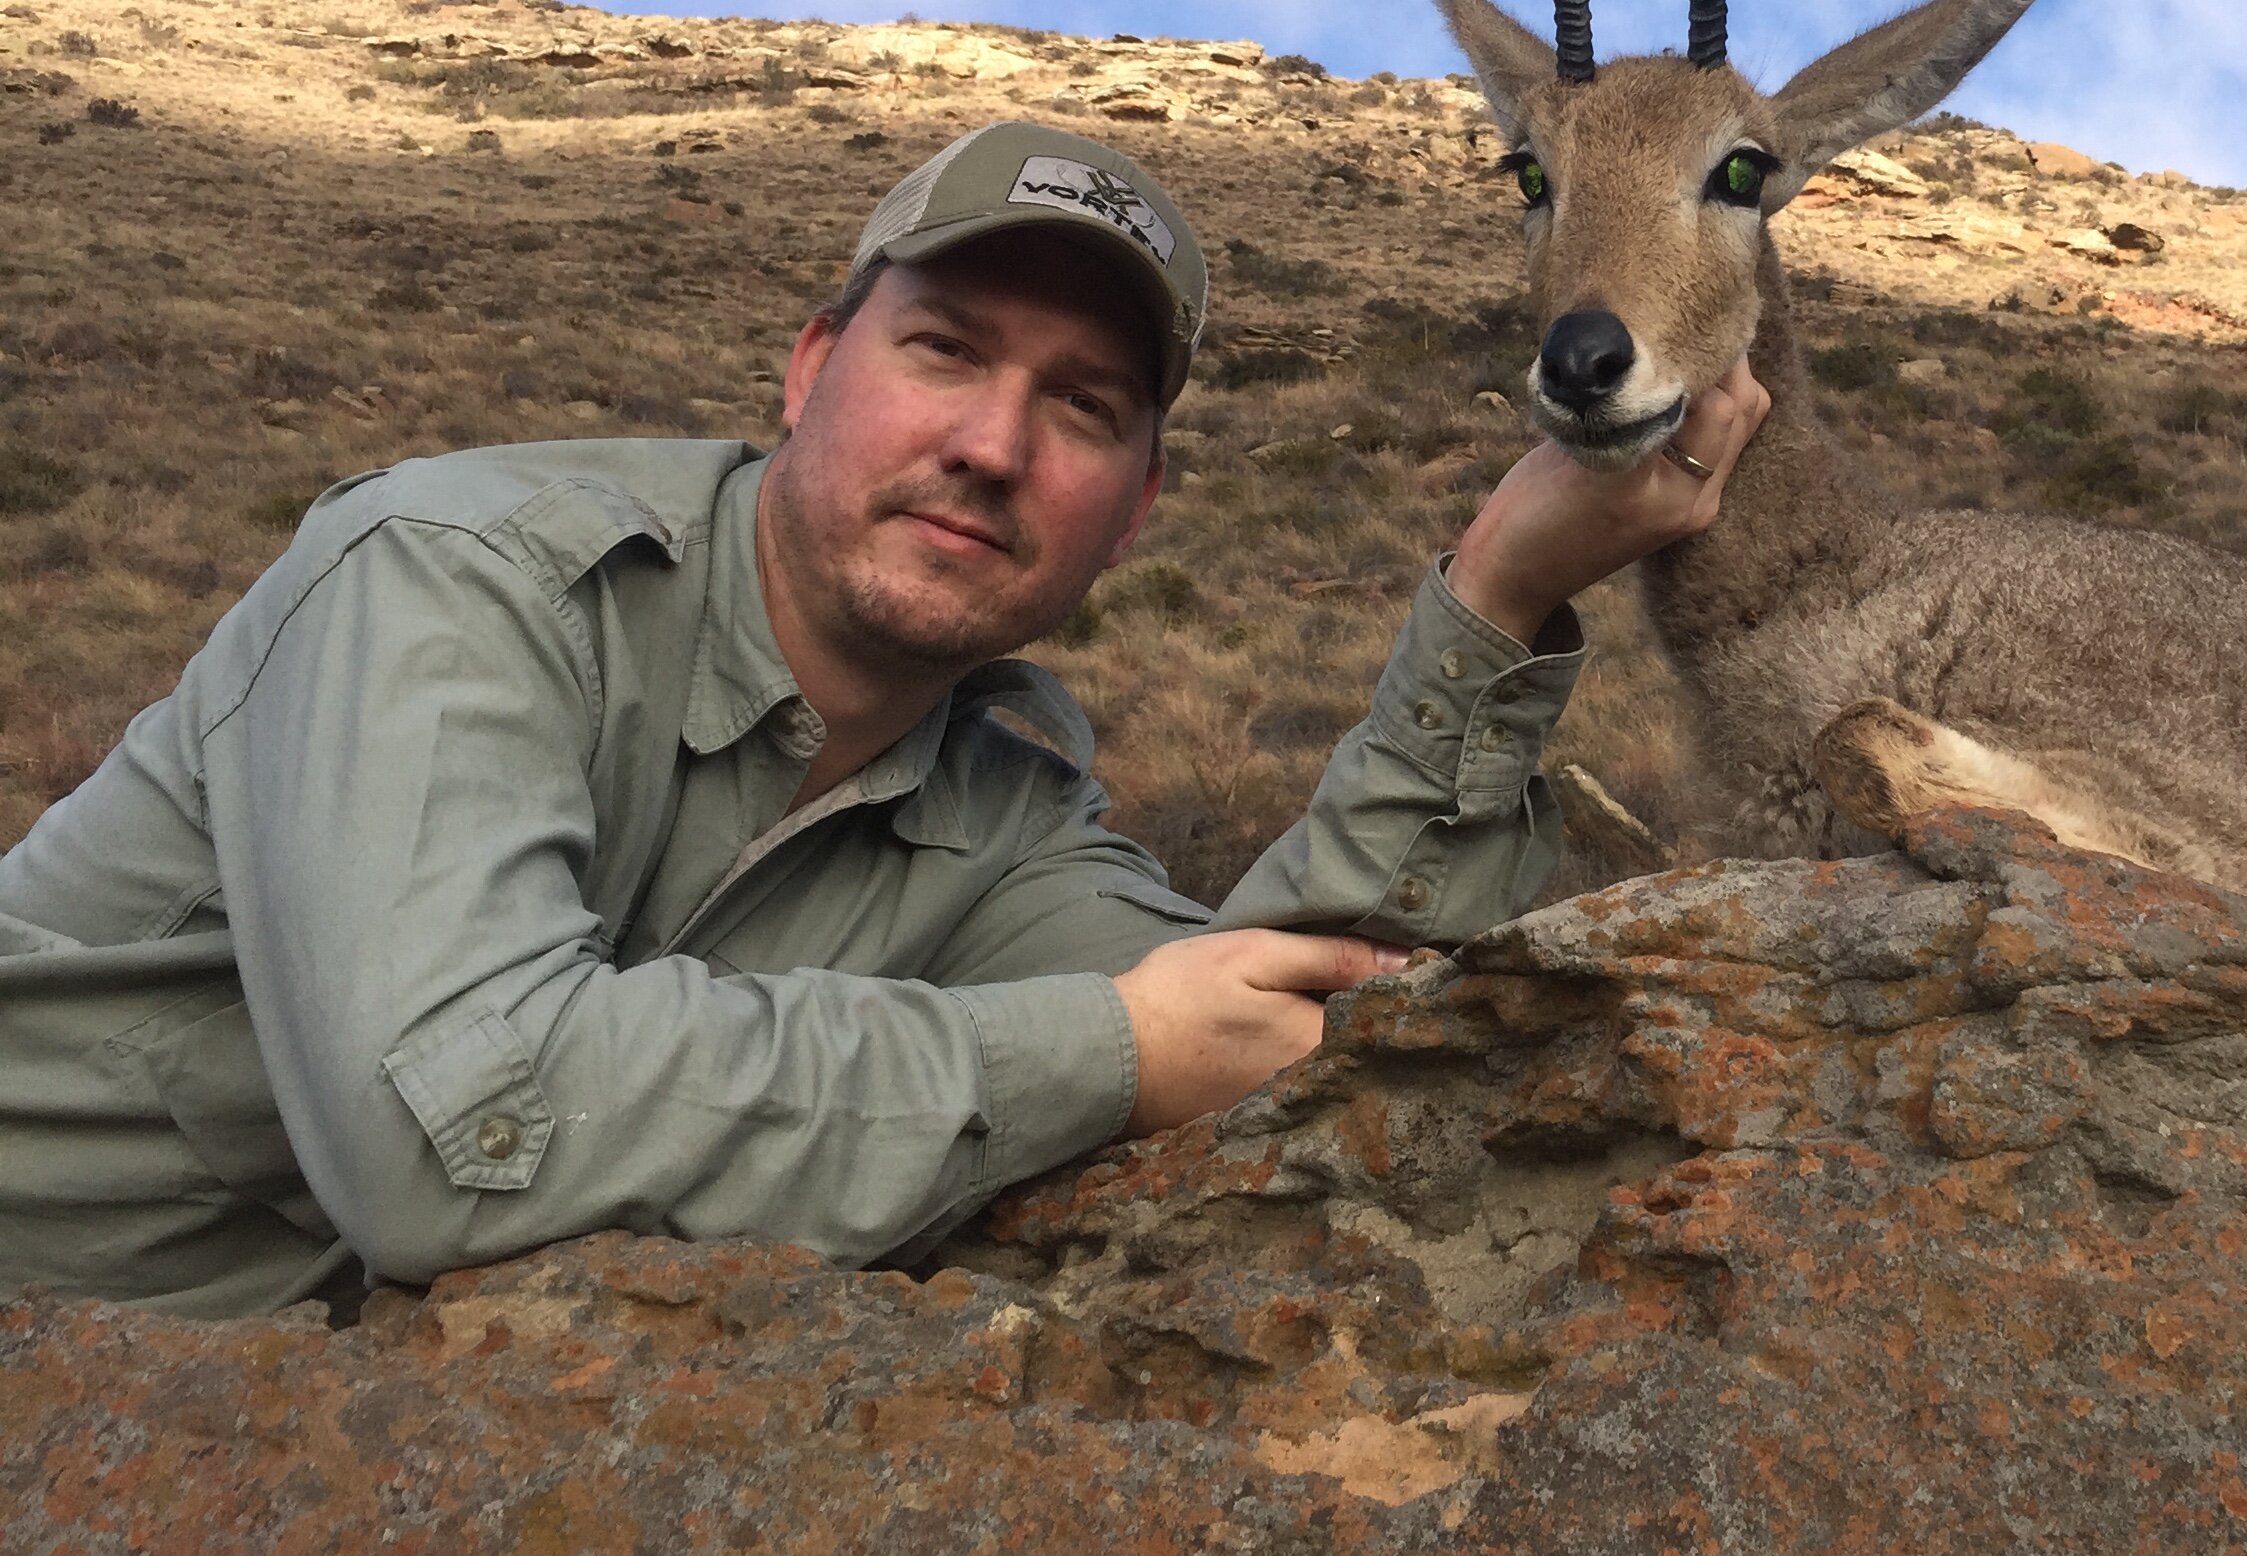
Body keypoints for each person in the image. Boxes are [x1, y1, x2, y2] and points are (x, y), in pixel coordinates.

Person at [0, 120, 1768, 1316]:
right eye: (942, 348)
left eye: (1081, 404)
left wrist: (1497, 592)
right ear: (805, 369)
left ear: (1136, 506)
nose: (994, 444)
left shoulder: (999, 811)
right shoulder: (450, 575)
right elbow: (452, 1129)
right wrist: (1087, 1053)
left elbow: (1286, 1022)